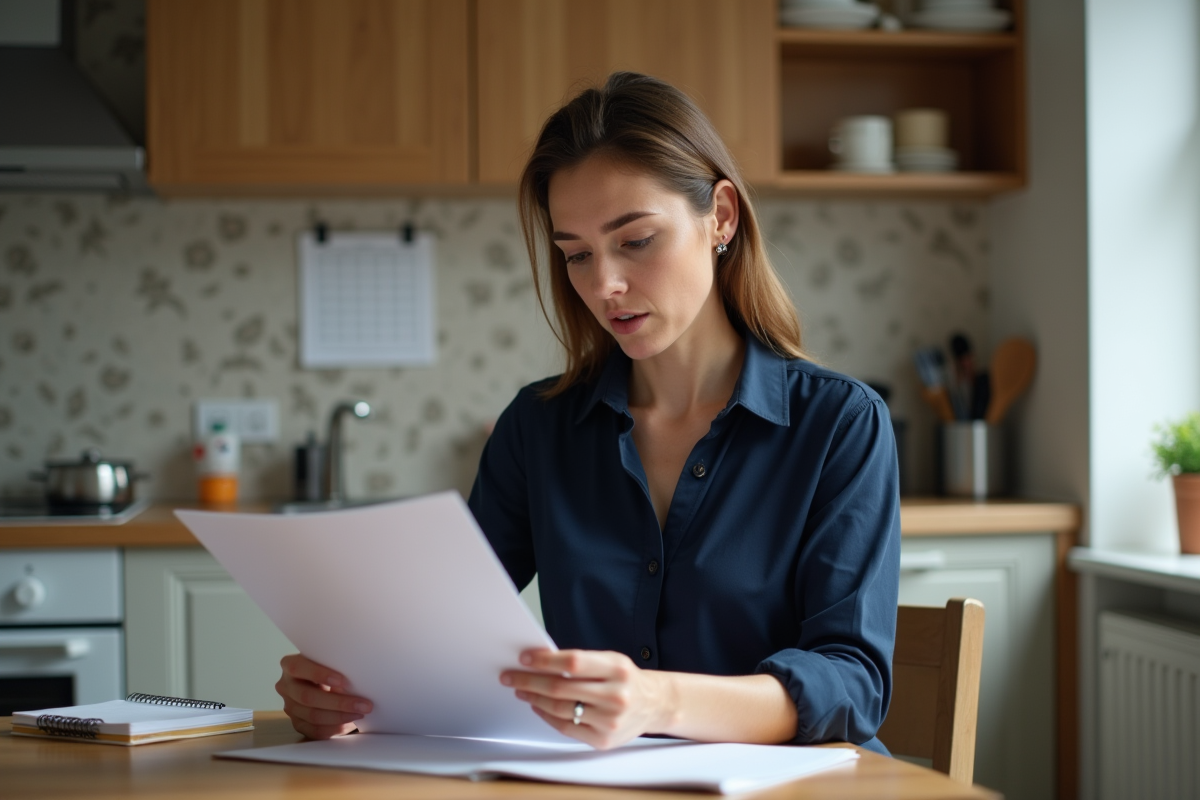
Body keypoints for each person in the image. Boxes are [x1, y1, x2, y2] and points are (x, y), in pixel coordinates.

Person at [276, 71, 900, 754]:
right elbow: (440, 635)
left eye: (635, 240)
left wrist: (656, 700)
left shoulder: (841, 424)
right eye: (576, 254)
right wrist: (355, 694)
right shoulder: (537, 429)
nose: (604, 285)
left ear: (720, 216)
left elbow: (853, 684)